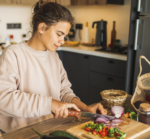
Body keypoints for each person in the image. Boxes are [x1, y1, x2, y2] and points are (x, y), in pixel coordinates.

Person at [0, 0, 107, 132]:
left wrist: (85, 108)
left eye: (65, 36)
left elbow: (63, 92)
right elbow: (3, 98)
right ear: (42, 28)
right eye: (59, 34)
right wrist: (50, 104)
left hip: (50, 128)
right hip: (19, 134)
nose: (62, 41)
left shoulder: (53, 57)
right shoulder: (13, 53)